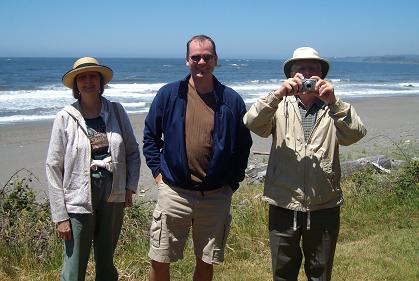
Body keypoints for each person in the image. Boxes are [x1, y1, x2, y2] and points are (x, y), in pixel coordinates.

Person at [243, 47, 367, 281]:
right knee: (283, 273)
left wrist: (333, 102)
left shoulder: (335, 108)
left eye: (313, 69)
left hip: (324, 205)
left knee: (320, 274)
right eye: (301, 69)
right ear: (291, 75)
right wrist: (278, 94)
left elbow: (354, 135)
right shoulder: (278, 105)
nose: (307, 74)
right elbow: (252, 121)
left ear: (322, 76)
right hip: (283, 203)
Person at [143, 35, 252, 281]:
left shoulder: (231, 100)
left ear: (215, 60)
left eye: (207, 57)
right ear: (187, 60)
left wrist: (231, 183)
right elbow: (151, 137)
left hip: (215, 197)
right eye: (196, 57)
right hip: (174, 193)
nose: (201, 61)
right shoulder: (170, 94)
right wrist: (158, 174)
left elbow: (243, 146)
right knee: (160, 259)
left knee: (206, 262)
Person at [46, 57, 141, 281]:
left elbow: (133, 153)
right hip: (78, 197)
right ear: (75, 85)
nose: (88, 81)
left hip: (113, 194)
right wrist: (60, 215)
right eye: (82, 77)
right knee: (74, 265)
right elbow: (53, 166)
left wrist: (129, 187)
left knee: (106, 261)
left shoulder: (116, 111)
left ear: (100, 81)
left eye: (92, 76)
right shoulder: (65, 117)